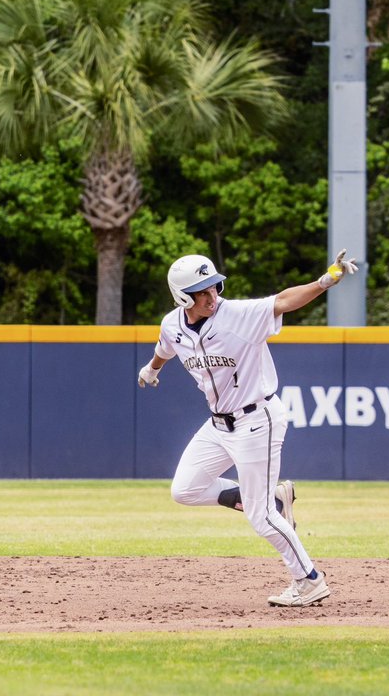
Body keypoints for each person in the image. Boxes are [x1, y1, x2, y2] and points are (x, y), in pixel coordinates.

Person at [137, 248, 358, 607]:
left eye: (215, 288)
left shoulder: (237, 315)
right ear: (182, 297)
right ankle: (269, 499)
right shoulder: (172, 325)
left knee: (261, 518)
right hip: (219, 426)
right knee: (185, 490)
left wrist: (325, 280)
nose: (212, 297)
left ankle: (309, 580)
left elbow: (284, 301)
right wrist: (153, 368)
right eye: (203, 292)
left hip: (258, 419)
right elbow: (165, 346)